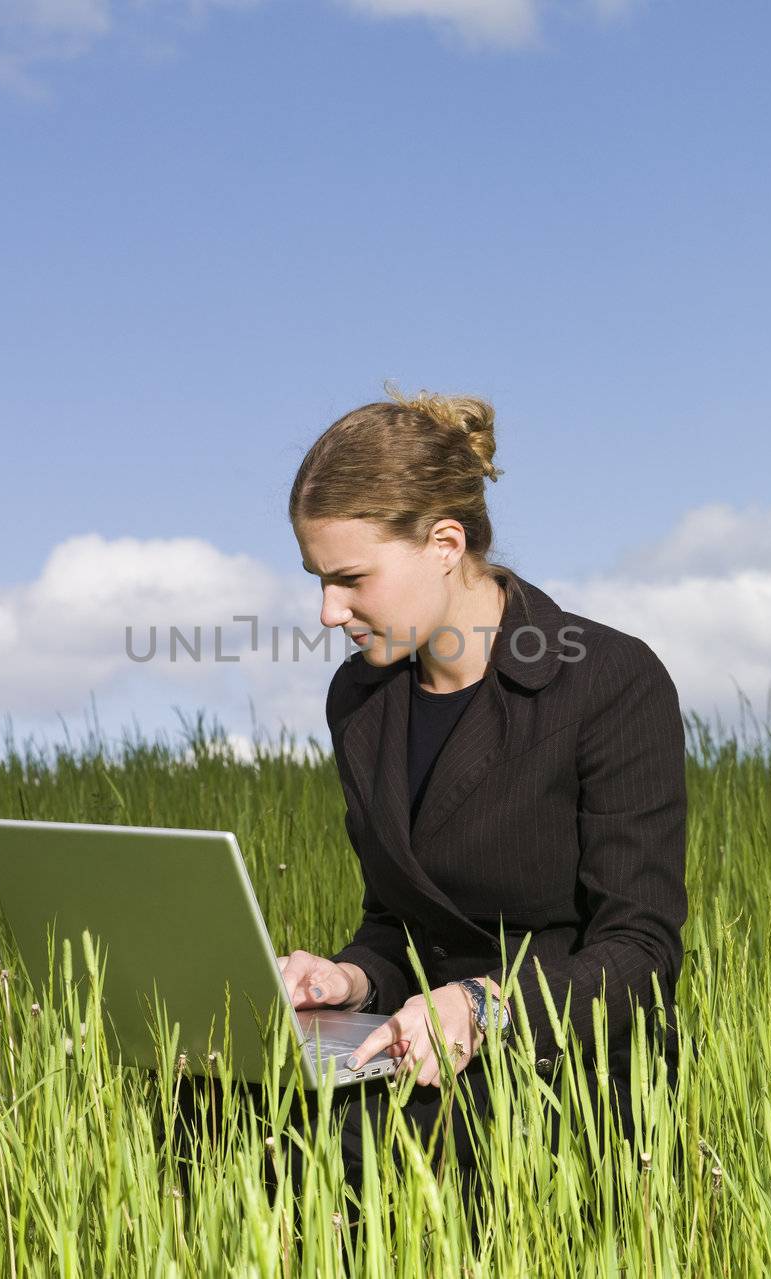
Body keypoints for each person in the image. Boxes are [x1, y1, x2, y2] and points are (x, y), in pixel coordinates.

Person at [274, 382, 690, 1198]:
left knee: (336, 1155)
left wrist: (484, 1003)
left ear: (444, 542)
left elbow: (641, 955)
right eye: (317, 579)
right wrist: (350, 979)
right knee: (212, 1105)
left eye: (351, 577)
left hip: (565, 1071)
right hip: (417, 1051)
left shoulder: (608, 681)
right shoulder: (361, 701)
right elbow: (400, 923)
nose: (328, 611)